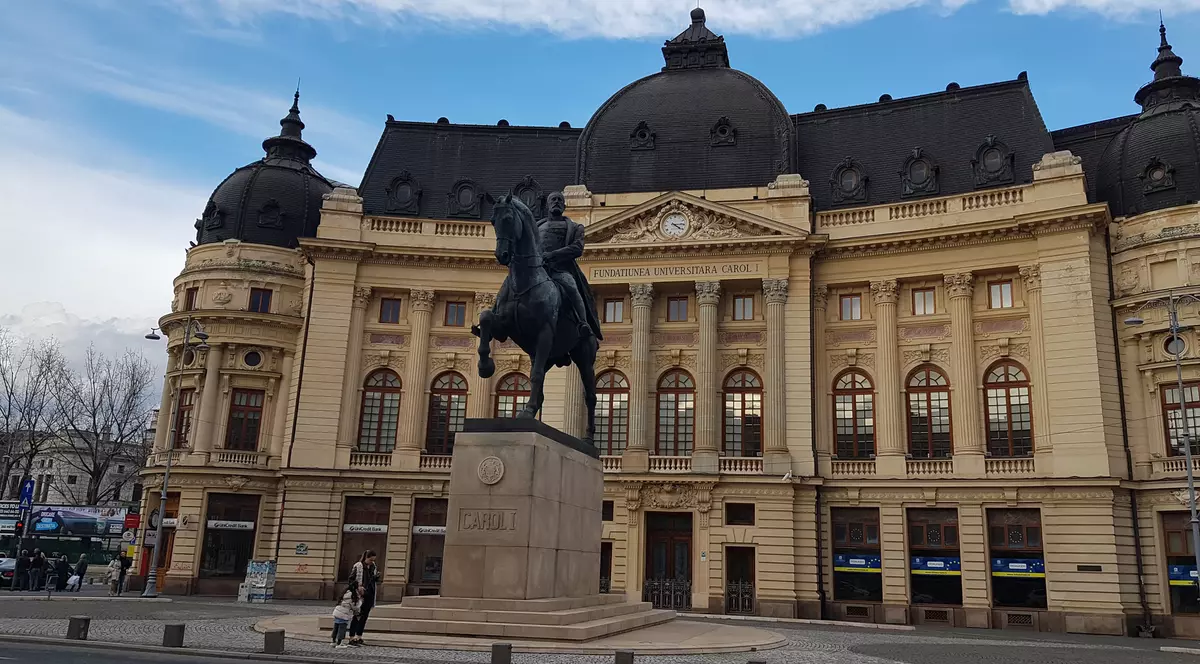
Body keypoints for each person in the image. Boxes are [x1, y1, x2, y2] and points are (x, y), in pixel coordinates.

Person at [346, 550, 379, 647]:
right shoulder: (358, 566)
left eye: (373, 560)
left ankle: (359, 636)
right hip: (360, 594)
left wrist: (376, 577)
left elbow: (372, 580)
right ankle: (351, 637)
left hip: (369, 594)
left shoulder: (373, 567)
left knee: (364, 617)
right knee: (357, 616)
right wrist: (358, 587)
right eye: (370, 560)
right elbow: (351, 580)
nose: (372, 562)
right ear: (366, 558)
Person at [330, 582, 361, 648]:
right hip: (344, 614)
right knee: (342, 628)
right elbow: (355, 606)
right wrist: (360, 602)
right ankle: (339, 643)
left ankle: (333, 641)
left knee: (336, 627)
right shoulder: (353, 595)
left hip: (337, 611)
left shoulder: (345, 592)